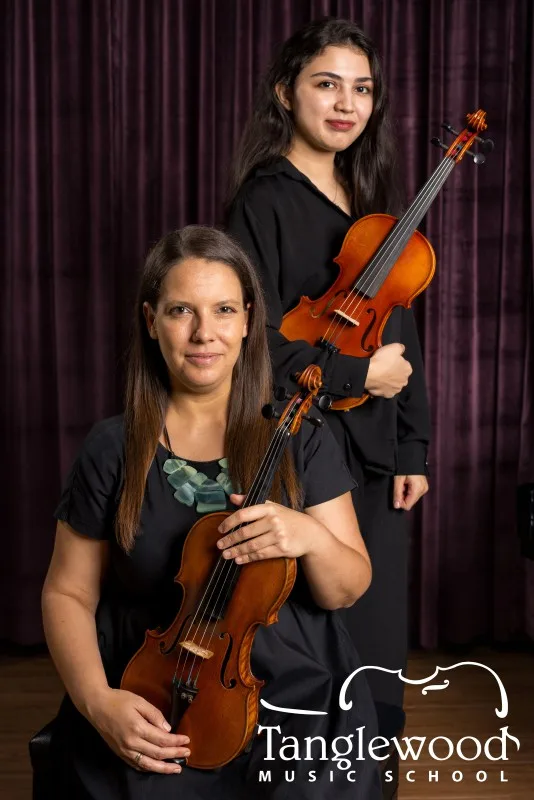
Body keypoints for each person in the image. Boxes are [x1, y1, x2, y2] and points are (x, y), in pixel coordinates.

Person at [41, 225, 383, 799]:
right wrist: (99, 703)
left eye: (224, 309)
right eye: (181, 310)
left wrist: (308, 537)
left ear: (249, 320)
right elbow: (67, 593)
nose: (205, 333)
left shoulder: (299, 436)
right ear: (151, 322)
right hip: (153, 695)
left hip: (292, 699)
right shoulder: (112, 447)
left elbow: (346, 589)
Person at [226, 16, 430, 762]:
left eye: (362, 88)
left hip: (375, 453)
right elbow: (249, 344)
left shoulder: (368, 199)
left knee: (376, 649)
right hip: (300, 445)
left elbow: (402, 336)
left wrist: (413, 444)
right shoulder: (263, 201)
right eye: (326, 84)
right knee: (310, 635)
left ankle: (368, 773)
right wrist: (356, 376)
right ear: (286, 93)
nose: (346, 103)